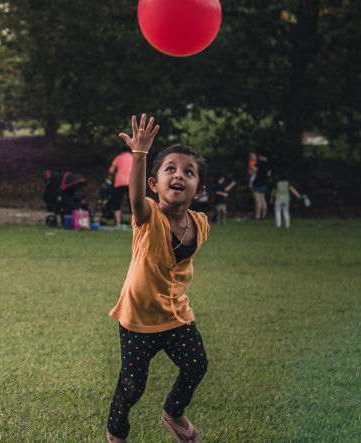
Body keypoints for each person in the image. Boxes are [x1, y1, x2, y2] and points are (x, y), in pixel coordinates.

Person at [107, 114, 210, 443]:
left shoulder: (201, 224)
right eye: (170, 170)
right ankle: (116, 432)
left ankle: (173, 412)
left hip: (176, 315)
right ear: (154, 184)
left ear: (199, 189)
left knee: (197, 365)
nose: (179, 175)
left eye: (188, 172)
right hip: (138, 319)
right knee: (132, 386)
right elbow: (135, 198)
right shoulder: (148, 217)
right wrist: (140, 153)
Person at [108, 146, 134, 228]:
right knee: (132, 203)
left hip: (119, 182)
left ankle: (118, 224)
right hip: (130, 182)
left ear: (121, 151)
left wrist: (116, 174)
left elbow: (111, 170)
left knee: (117, 203)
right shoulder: (133, 158)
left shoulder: (119, 157)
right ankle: (132, 224)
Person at [251, 153, 271, 220]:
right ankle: (264, 215)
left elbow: (253, 170)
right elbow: (269, 174)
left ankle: (257, 216)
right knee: (263, 200)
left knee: (258, 201)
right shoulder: (268, 164)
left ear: (261, 156)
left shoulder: (259, 163)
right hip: (264, 183)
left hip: (257, 183)